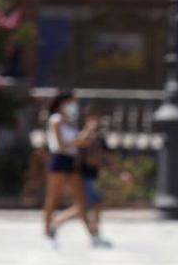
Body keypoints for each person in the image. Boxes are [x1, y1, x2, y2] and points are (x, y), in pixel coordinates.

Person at [50, 109, 122, 247]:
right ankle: (94, 235)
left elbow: (107, 157)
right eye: (92, 118)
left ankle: (59, 224)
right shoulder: (81, 135)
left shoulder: (100, 137)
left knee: (82, 207)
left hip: (92, 176)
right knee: (93, 204)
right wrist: (86, 136)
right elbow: (73, 149)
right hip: (82, 176)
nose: (95, 122)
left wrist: (119, 173)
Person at [42, 92, 97, 244]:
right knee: (53, 197)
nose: (74, 106)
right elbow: (62, 145)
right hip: (59, 160)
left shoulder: (70, 122)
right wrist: (82, 136)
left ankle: (92, 235)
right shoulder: (56, 120)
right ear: (62, 103)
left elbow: (78, 143)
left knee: (82, 201)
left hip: (72, 161)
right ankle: (46, 232)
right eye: (71, 102)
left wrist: (88, 132)